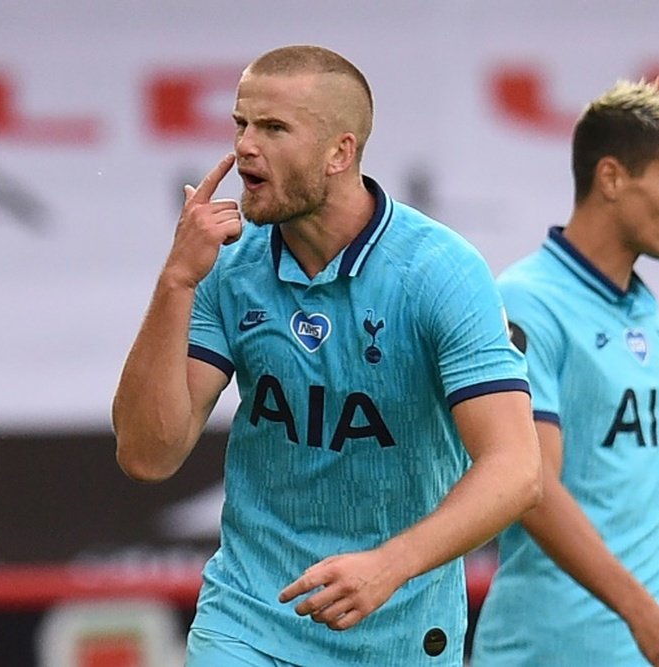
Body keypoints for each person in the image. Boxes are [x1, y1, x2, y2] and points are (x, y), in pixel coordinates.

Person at [112, 44, 541, 666]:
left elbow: (516, 469)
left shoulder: (440, 272)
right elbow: (148, 454)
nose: (243, 149)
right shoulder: (226, 264)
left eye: (273, 128)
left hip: (398, 633)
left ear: (340, 152)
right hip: (247, 621)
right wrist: (175, 281)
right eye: (241, 124)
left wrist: (388, 566)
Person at [470, 79, 659, 667]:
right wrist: (640, 611)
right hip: (558, 647)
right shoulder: (528, 300)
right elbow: (532, 487)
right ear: (610, 178)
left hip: (655, 639)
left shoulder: (640, 303)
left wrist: (658, 616)